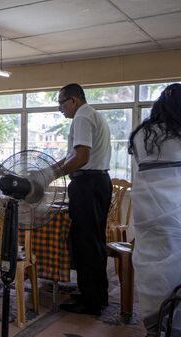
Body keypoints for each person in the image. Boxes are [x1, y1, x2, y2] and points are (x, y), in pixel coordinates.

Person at [50, 83, 112, 315]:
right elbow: (72, 156)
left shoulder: (82, 117)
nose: (60, 109)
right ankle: (96, 293)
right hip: (98, 182)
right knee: (93, 241)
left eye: (61, 103)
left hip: (87, 184)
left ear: (73, 100)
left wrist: (53, 175)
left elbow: (82, 158)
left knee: (86, 243)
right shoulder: (94, 114)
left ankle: (91, 301)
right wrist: (48, 171)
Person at [128, 83, 181, 336]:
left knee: (154, 272)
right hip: (177, 215)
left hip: (147, 216)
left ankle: (155, 325)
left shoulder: (141, 135)